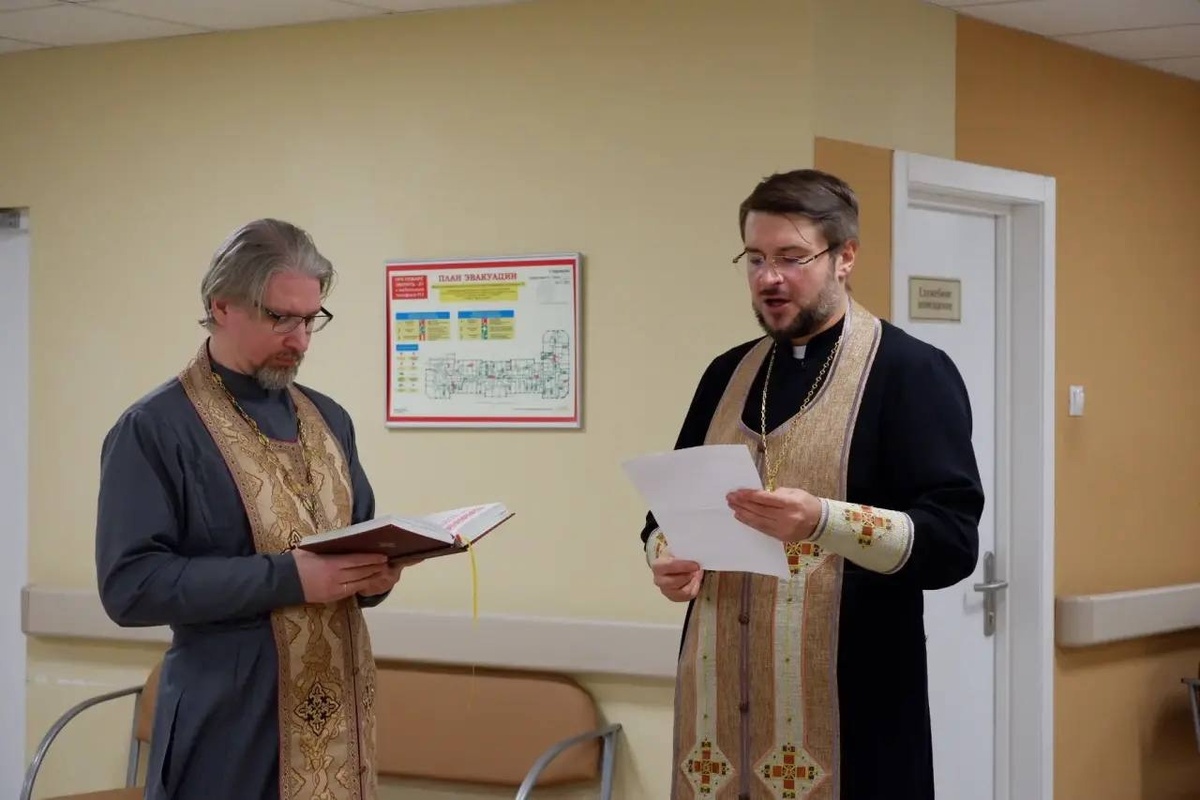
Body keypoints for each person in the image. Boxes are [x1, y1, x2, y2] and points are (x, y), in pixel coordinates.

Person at [640, 169, 984, 799]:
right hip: (718, 722)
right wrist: (666, 559)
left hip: (855, 718)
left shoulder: (910, 371)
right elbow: (665, 516)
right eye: (756, 258)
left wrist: (824, 521)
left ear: (844, 257)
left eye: (791, 258)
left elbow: (952, 542)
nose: (768, 278)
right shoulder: (725, 374)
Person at [95, 218, 404, 800]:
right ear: (222, 306)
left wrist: (376, 574)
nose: (300, 340)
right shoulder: (156, 428)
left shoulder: (329, 419)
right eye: (280, 318)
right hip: (228, 726)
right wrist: (290, 578)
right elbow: (130, 587)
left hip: (338, 720)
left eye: (310, 319)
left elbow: (360, 535)